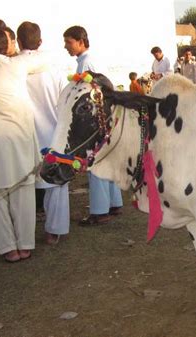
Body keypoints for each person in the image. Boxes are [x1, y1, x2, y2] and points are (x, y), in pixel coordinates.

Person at [0, 28, 47, 261]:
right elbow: (41, 58)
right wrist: (15, 52)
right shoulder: (15, 65)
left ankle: (8, 249)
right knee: (22, 191)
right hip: (15, 139)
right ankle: (25, 244)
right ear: (6, 46)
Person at [63, 25, 124, 226]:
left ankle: (100, 211)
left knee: (95, 164)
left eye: (69, 42)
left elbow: (89, 95)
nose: (66, 47)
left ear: (81, 41)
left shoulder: (87, 63)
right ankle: (114, 203)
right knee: (105, 161)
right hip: (102, 118)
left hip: (95, 120)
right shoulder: (87, 61)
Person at [17, 22, 70, 245]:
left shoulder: (14, 69)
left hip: (23, 135)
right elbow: (64, 103)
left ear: (18, 42)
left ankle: (23, 234)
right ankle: (53, 231)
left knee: (23, 187)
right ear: (40, 42)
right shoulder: (54, 69)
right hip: (53, 133)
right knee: (56, 186)